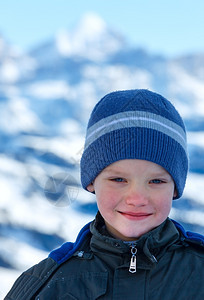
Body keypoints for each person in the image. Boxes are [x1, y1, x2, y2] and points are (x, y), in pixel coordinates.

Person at [5, 89, 204, 300]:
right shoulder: (46, 285)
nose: (136, 198)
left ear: (175, 188)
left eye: (156, 181)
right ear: (91, 181)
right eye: (118, 180)